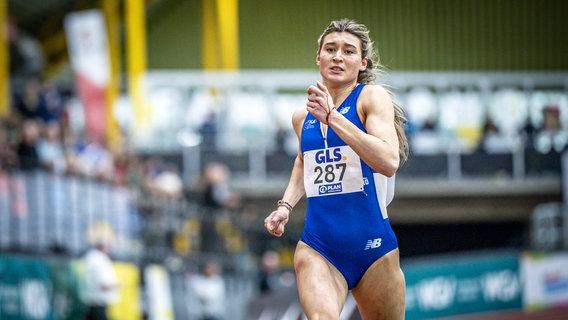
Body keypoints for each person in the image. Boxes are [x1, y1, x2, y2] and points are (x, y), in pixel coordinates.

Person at [263, 19, 409, 319]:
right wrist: (285, 206)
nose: (338, 57)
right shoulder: (302, 116)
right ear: (318, 58)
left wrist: (333, 118)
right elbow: (304, 161)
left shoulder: (371, 98)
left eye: (348, 51)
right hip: (319, 246)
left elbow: (388, 161)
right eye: (330, 49)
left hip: (374, 248)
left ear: (362, 62)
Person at [81, 243, 120, 320]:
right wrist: (116, 285)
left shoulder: (90, 259)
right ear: (102, 248)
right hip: (99, 301)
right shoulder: (100, 261)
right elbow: (104, 284)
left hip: (90, 300)